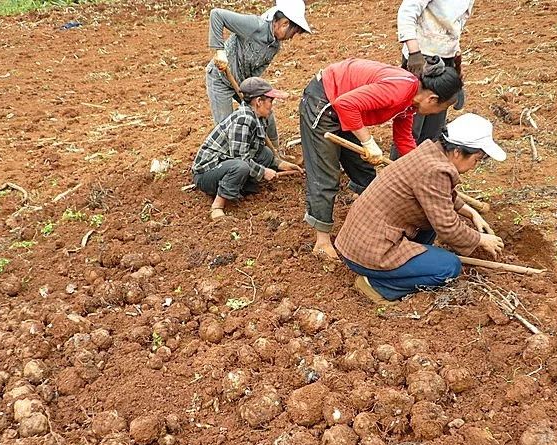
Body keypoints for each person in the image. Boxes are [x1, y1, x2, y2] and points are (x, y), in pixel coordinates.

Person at [299, 57, 462, 260]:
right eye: (440, 109)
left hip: (346, 108)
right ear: (431, 99)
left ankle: (364, 218)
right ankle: (322, 242)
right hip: (324, 102)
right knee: (325, 175)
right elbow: (345, 104)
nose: (437, 113)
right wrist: (367, 142)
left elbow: (403, 140)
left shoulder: (410, 102)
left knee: (364, 170)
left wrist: (422, 168)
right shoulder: (400, 89)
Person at [334, 113, 506, 304]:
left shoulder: (429, 153)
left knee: (433, 222)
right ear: (457, 151)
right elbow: (448, 227)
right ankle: (376, 285)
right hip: (369, 252)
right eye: (477, 158)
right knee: (449, 267)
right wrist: (480, 239)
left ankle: (412, 262)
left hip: (359, 240)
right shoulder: (436, 171)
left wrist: (471, 212)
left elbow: (439, 197)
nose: (476, 165)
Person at [192, 78, 303, 221]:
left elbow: (256, 149)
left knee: (266, 154)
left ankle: (238, 186)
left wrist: (281, 164)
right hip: (206, 173)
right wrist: (263, 171)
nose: (272, 106)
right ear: (258, 102)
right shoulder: (244, 120)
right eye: (270, 101)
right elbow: (240, 158)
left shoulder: (258, 117)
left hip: (225, 163)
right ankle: (217, 206)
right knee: (241, 167)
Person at [206, 0, 312, 147]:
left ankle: (275, 153)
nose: (291, 38)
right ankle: (231, 161)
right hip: (220, 79)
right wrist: (219, 51)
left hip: (242, 83)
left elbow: (256, 73)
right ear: (284, 23)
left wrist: (251, 92)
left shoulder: (274, 47)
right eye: (292, 33)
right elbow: (217, 15)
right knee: (226, 126)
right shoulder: (255, 26)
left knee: (266, 112)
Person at [391, 0, 475, 157]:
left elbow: (459, 21)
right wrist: (414, 52)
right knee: (411, 122)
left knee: (434, 123)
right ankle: (401, 168)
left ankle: (424, 167)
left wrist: (455, 59)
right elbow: (407, 12)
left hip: (446, 57)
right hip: (421, 57)